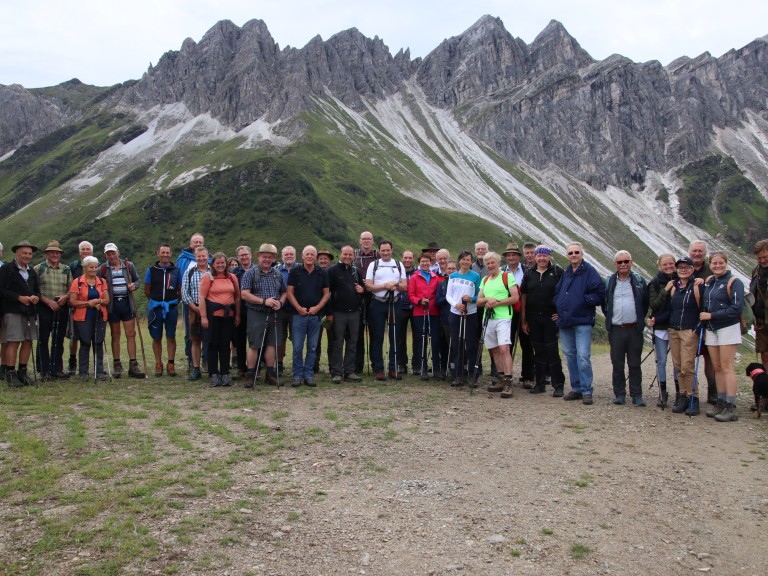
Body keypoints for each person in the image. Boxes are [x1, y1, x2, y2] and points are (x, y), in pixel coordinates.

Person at [554, 243, 605, 405]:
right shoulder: (567, 272)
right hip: (565, 321)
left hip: (582, 320)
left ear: (582, 254)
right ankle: (576, 388)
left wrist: (584, 301)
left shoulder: (589, 271)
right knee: (570, 355)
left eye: (577, 252)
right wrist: (559, 304)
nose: (574, 255)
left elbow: (599, 293)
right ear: (567, 256)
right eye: (571, 253)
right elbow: (558, 291)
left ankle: (586, 390)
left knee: (583, 356)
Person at [701, 252, 744, 422]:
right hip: (712, 329)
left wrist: (711, 316)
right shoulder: (710, 282)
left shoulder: (734, 282)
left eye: (721, 263)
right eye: (714, 263)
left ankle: (731, 406)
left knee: (727, 366)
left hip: (727, 327)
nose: (717, 266)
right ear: (710, 265)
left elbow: (736, 308)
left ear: (726, 263)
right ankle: (721, 401)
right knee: (717, 367)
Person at [657, 257, 703, 415]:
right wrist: (656, 320)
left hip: (689, 330)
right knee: (678, 366)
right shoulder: (675, 287)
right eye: (680, 267)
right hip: (674, 330)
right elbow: (671, 309)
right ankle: (683, 396)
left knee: (687, 366)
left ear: (692, 269)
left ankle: (693, 398)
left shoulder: (698, 286)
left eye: (686, 267)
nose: (683, 270)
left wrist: (696, 329)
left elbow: (703, 309)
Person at [603, 250, 649, 406]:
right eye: (620, 262)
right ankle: (620, 394)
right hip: (616, 329)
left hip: (634, 328)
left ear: (631, 262)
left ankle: (637, 395)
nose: (623, 264)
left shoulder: (639, 280)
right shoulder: (609, 281)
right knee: (617, 363)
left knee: (635, 363)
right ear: (615, 264)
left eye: (626, 261)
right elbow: (605, 305)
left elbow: (645, 302)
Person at [520, 245, 565, 396]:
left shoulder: (557, 272)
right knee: (537, 351)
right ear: (535, 257)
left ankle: (558, 384)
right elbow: (524, 298)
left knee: (552, 351)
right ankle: (539, 384)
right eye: (539, 256)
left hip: (550, 317)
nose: (541, 258)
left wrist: (561, 313)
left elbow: (565, 294)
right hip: (533, 317)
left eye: (545, 256)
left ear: (549, 257)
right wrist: (524, 320)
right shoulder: (529, 273)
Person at [240, 244, 286, 388]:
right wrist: (264, 301)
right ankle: (251, 375)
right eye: (264, 256)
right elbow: (244, 294)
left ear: (273, 259)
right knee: (254, 344)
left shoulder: (277, 273)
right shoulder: (250, 273)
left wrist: (281, 302)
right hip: (256, 312)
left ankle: (270, 375)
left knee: (272, 343)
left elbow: (284, 292)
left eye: (270, 257)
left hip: (274, 313)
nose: (267, 259)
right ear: (258, 257)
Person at [476, 252, 520, 398]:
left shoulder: (507, 277)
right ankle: (500, 378)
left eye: (492, 262)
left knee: (504, 348)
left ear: (498, 262)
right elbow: (478, 301)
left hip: (503, 317)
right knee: (494, 349)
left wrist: (498, 302)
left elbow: (515, 297)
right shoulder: (485, 279)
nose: (490, 265)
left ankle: (508, 381)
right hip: (488, 318)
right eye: (488, 263)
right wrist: (488, 299)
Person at [99, 243, 144, 378]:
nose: (111, 256)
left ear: (118, 253)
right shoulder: (102, 268)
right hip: (112, 305)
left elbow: (137, 280)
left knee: (131, 334)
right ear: (105, 255)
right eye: (108, 254)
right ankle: (117, 365)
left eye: (113, 253)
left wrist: (134, 286)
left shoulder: (128, 266)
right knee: (115, 334)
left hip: (126, 302)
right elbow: (97, 283)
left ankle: (133, 365)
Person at [287, 245, 330, 387]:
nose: (310, 256)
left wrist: (317, 308)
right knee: (298, 347)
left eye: (313, 254)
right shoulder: (295, 271)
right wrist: (298, 308)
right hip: (298, 315)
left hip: (315, 316)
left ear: (315, 256)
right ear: (302, 256)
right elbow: (289, 292)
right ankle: (297, 375)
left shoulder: (322, 273)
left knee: (312, 347)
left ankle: (309, 374)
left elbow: (326, 294)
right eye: (307, 254)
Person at [0, 241, 41, 387]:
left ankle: (22, 371)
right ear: (16, 253)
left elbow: (37, 290)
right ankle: (10, 373)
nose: (27, 256)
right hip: (13, 311)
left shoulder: (32, 272)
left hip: (30, 311)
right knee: (13, 341)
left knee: (28, 341)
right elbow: (1, 289)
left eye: (29, 253)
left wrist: (36, 297)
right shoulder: (6, 269)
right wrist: (18, 298)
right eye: (24, 253)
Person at [365, 240, 407, 381]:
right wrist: (385, 286)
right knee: (377, 337)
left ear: (392, 250)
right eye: (383, 250)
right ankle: (379, 369)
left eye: (388, 250)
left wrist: (395, 284)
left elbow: (404, 287)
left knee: (395, 337)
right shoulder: (373, 265)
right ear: (379, 251)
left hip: (394, 303)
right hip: (378, 304)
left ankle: (393, 368)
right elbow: (369, 287)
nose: (385, 252)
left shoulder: (398, 264)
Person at [199, 252, 240, 387]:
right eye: (218, 263)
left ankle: (224, 373)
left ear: (226, 264)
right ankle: (214, 373)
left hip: (228, 316)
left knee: (225, 344)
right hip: (213, 317)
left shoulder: (232, 277)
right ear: (213, 264)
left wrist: (238, 314)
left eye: (223, 263)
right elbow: (202, 298)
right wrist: (203, 317)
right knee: (212, 344)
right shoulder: (208, 278)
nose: (221, 265)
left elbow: (237, 297)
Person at [34, 240, 72, 381]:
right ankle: (44, 370)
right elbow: (34, 290)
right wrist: (48, 301)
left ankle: (57, 369)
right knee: (43, 338)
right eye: (52, 252)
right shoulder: (39, 268)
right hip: (44, 307)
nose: (55, 255)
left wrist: (65, 297)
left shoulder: (66, 269)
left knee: (58, 338)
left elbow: (71, 289)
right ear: (47, 253)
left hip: (61, 307)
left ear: (60, 254)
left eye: (57, 252)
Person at [327, 245, 365, 383]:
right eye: (345, 254)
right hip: (338, 313)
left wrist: (363, 290)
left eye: (350, 255)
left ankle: (349, 371)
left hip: (354, 312)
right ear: (340, 255)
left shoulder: (356, 271)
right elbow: (327, 294)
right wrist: (329, 313)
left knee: (352, 342)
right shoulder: (332, 271)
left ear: (354, 256)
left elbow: (362, 289)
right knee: (337, 343)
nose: (348, 257)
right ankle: (336, 372)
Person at [68, 255, 109, 381]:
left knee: (98, 343)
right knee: (85, 343)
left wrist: (99, 301)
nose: (94, 269)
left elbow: (107, 300)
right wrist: (88, 303)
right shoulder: (77, 282)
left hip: (99, 316)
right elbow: (72, 302)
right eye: (91, 267)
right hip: (82, 317)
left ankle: (99, 372)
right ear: (85, 267)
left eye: (96, 267)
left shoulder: (102, 281)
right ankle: (83, 372)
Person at [444, 251, 481, 387]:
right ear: (459, 261)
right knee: (457, 345)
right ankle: (458, 375)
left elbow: (479, 296)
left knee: (471, 345)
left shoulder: (475, 276)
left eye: (468, 260)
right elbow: (449, 295)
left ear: (471, 262)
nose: (465, 262)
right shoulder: (453, 276)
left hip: (470, 314)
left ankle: (473, 375)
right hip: (455, 314)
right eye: (463, 259)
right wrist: (456, 305)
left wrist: (471, 299)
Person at [647, 254, 678, 406]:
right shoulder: (655, 282)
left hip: (676, 326)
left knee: (678, 362)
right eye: (665, 264)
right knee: (662, 361)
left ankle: (681, 393)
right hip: (660, 328)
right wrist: (666, 290)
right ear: (660, 266)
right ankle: (662, 392)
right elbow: (654, 304)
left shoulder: (682, 279)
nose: (668, 267)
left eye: (671, 264)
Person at [501, 242, 534, 387]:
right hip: (507, 311)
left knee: (527, 344)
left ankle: (527, 376)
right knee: (508, 343)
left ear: (518, 256)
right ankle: (506, 375)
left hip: (525, 310)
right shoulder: (502, 271)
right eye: (509, 255)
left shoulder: (527, 270)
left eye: (514, 255)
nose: (511, 257)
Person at [144, 244, 180, 377]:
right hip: (156, 308)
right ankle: (158, 363)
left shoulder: (176, 270)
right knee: (156, 337)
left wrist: (173, 301)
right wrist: (156, 301)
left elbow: (179, 289)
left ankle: (171, 364)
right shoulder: (151, 270)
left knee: (171, 336)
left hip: (171, 307)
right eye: (162, 252)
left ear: (171, 254)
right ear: (158, 253)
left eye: (167, 253)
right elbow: (147, 290)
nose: (165, 255)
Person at [689, 240, 717, 404]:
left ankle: (712, 390)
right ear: (690, 252)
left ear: (705, 253)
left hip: (709, 320)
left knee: (710, 357)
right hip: (690, 320)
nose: (697, 254)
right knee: (688, 357)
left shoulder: (712, 269)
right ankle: (692, 391)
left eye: (700, 251)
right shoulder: (685, 268)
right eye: (694, 251)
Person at [409, 253, 443, 380]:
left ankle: (436, 369)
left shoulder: (435, 277)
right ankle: (422, 368)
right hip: (419, 312)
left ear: (431, 262)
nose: (425, 263)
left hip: (433, 312)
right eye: (422, 261)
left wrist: (431, 303)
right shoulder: (414, 278)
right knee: (421, 341)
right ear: (419, 263)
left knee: (435, 341)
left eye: (427, 261)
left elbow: (437, 295)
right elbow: (411, 295)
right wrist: (419, 301)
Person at [176, 232, 205, 373]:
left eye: (200, 242)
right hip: (189, 302)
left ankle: (206, 360)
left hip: (207, 304)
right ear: (190, 244)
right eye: (196, 242)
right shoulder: (182, 259)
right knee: (190, 333)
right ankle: (191, 361)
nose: (198, 245)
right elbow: (178, 278)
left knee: (207, 333)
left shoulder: (209, 260)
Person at [181, 246, 210, 381]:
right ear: (195, 257)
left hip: (211, 309)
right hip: (194, 309)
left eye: (204, 256)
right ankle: (196, 368)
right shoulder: (189, 272)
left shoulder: (213, 271)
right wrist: (195, 308)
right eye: (199, 256)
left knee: (210, 339)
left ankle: (211, 367)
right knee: (195, 339)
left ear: (207, 256)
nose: (202, 258)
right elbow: (184, 293)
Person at [67, 240, 93, 375]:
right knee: (74, 336)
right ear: (79, 251)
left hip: (93, 308)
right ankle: (72, 363)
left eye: (87, 249)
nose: (85, 251)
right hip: (76, 306)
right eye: (83, 249)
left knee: (92, 337)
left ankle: (93, 365)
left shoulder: (96, 266)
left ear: (92, 251)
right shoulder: (73, 266)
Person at [354, 232, 378, 374]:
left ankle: (376, 364)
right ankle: (358, 365)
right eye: (364, 239)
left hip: (374, 297)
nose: (366, 241)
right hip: (358, 298)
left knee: (375, 333)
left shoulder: (379, 256)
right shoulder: (354, 256)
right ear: (360, 241)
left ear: (372, 241)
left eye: (369, 239)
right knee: (357, 333)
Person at [231, 245, 253, 378]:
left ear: (250, 255)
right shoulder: (234, 273)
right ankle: (242, 368)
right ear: (238, 257)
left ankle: (254, 367)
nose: (244, 257)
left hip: (256, 311)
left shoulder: (257, 270)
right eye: (241, 255)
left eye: (246, 254)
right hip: (240, 311)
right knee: (239, 341)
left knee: (254, 340)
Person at [276, 245, 297, 375]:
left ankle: (297, 363)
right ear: (282, 256)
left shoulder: (300, 269)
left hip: (296, 310)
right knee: (280, 337)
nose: (289, 256)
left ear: (295, 255)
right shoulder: (276, 270)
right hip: (281, 309)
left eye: (291, 254)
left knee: (297, 338)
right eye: (286, 254)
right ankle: (279, 363)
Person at [435, 260, 457, 379]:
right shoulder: (442, 284)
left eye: (454, 269)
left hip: (458, 317)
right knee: (447, 345)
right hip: (445, 319)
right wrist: (448, 298)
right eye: (449, 269)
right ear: (445, 270)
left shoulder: (461, 283)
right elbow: (437, 301)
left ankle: (459, 368)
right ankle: (447, 368)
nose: (451, 271)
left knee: (458, 345)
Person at [314, 248, 335, 373]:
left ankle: (333, 365)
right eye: (320, 258)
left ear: (329, 261)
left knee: (333, 339)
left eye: (325, 259)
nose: (323, 261)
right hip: (317, 310)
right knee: (315, 340)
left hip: (332, 309)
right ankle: (314, 365)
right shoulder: (314, 272)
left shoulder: (333, 273)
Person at [397, 250, 416, 375]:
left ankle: (417, 364)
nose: (407, 260)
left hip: (416, 307)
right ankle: (401, 364)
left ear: (413, 259)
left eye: (410, 258)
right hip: (401, 306)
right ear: (402, 258)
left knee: (418, 337)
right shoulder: (396, 272)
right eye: (405, 258)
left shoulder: (418, 272)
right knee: (400, 337)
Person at [749, 239, 768, 370]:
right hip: (761, 321)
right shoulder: (756, 270)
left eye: (765, 257)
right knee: (765, 354)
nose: (762, 260)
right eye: (759, 258)